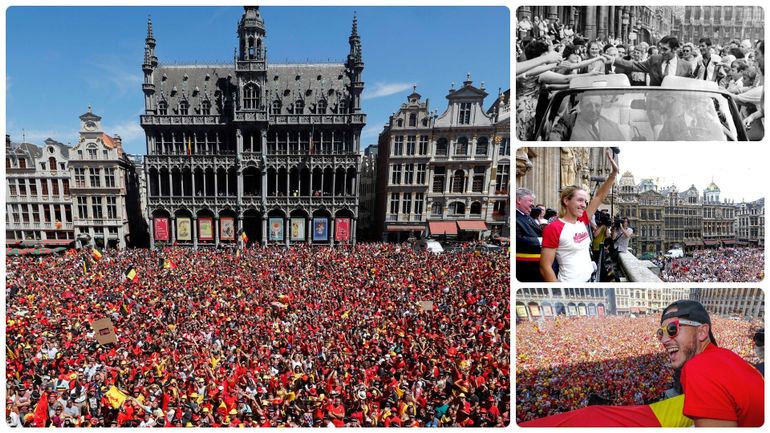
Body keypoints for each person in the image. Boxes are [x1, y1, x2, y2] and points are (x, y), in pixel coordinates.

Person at [657, 300, 764, 427]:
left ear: (702, 332)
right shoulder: (727, 354)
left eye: (672, 328)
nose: (663, 340)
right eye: (660, 333)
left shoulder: (698, 368)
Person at [540, 148, 619, 282]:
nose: (584, 205)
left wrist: (613, 174)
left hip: (590, 280)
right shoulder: (554, 228)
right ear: (566, 201)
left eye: (586, 201)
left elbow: (599, 196)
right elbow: (545, 266)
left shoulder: (582, 220)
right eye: (580, 200)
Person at [610, 36, 694, 86]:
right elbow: (634, 65)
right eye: (661, 48)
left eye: (665, 49)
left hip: (675, 110)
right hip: (654, 107)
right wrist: (613, 60)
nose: (661, 52)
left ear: (675, 49)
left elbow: (688, 87)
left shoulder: (686, 66)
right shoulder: (654, 59)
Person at [516, 188, 543, 282]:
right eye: (530, 201)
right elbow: (518, 239)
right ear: (519, 200)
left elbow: (537, 231)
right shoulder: (515, 217)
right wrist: (541, 240)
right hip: (526, 266)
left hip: (535, 265)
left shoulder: (526, 215)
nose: (532, 204)